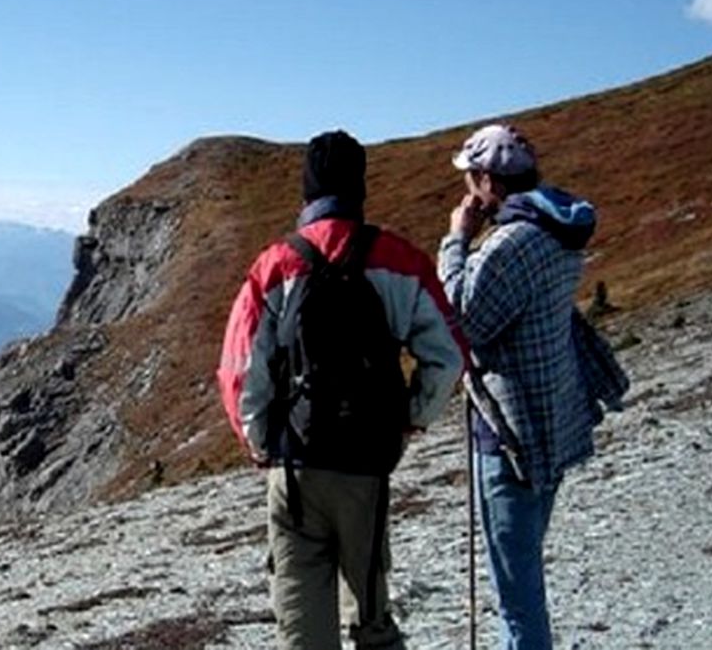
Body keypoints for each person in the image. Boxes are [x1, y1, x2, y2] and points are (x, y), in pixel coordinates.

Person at [216, 130, 467, 649]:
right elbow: (447, 356)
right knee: (372, 619)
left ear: (306, 192)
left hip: (298, 467)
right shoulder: (400, 259)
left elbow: (241, 369)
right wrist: (409, 420)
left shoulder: (275, 265)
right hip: (367, 465)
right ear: (360, 187)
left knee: (302, 629)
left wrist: (262, 444)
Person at [437, 124, 605, 650]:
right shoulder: (556, 229)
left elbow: (458, 317)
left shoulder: (513, 241)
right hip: (551, 418)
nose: (467, 189)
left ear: (488, 180)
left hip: (511, 435)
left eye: (471, 178)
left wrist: (457, 238)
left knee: (517, 595)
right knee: (525, 571)